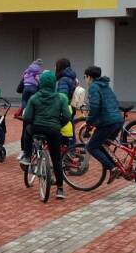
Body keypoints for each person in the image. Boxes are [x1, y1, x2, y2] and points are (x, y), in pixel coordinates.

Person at [20, 70, 72, 199]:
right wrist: (59, 124)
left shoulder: (35, 97)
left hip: (37, 128)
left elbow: (27, 117)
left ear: (41, 83)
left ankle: (26, 156)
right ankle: (60, 189)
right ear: (54, 83)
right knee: (56, 159)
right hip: (54, 130)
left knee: (27, 130)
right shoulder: (61, 98)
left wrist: (32, 122)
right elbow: (67, 115)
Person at [83, 66, 125, 183]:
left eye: (85, 77)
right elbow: (115, 101)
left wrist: (89, 122)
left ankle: (112, 168)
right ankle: (116, 168)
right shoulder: (106, 86)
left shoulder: (93, 87)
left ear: (89, 77)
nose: (85, 79)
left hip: (107, 123)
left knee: (91, 147)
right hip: (118, 121)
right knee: (103, 145)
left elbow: (95, 106)